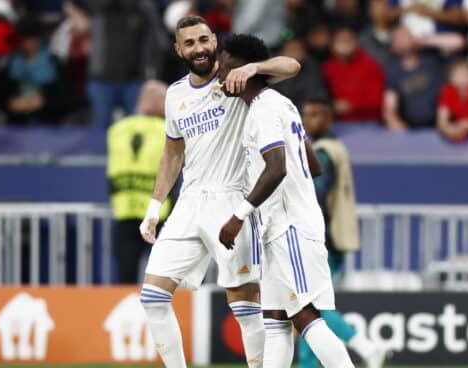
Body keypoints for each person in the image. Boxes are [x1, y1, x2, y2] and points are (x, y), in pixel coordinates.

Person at [138, 16, 300, 368]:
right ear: (178, 49)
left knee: (243, 304)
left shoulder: (237, 79)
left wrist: (254, 66)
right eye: (190, 43)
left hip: (232, 198)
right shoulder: (175, 95)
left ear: (215, 40)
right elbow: (172, 153)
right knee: (152, 296)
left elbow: (292, 66)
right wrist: (155, 207)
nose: (199, 48)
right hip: (188, 202)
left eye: (204, 40)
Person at [216, 33, 355, 368]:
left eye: (223, 62)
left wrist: (238, 216)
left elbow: (276, 168)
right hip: (283, 224)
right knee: (276, 320)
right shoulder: (283, 103)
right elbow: (314, 165)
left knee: (304, 316)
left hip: (288, 225)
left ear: (242, 67)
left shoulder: (263, 108)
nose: (219, 71)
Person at [297, 97, 389, 368]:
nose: (307, 121)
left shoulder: (324, 151)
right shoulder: (337, 148)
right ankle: (309, 363)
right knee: (311, 304)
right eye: (305, 114)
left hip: (323, 238)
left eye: (314, 115)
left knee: (311, 305)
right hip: (334, 236)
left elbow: (316, 194)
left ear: (328, 119)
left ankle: (365, 346)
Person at [107, 80, 173, 284]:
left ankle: (129, 315)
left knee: (125, 280)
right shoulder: (168, 130)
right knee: (165, 279)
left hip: (124, 212)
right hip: (159, 214)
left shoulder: (117, 129)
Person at [69, 0, 168, 128]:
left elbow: (158, 41)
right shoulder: (98, 5)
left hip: (134, 79)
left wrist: (151, 75)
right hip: (101, 79)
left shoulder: (143, 6)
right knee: (100, 131)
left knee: (136, 128)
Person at [0, 19, 67, 125]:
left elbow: (64, 97)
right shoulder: (11, 62)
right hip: (16, 124)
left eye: (33, 39)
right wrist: (11, 104)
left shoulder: (53, 62)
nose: (29, 44)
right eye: (25, 39)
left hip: (46, 123)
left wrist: (43, 102)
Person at [383, 26, 445, 130]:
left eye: (408, 35)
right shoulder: (393, 71)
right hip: (412, 129)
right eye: (401, 37)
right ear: (394, 46)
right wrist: (398, 126)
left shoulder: (431, 60)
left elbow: (459, 42)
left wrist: (422, 41)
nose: (406, 39)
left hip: (439, 126)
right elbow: (390, 108)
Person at [322, 26, 385, 122]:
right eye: (340, 41)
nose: (345, 44)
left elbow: (377, 100)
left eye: (348, 40)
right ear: (332, 46)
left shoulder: (371, 65)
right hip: (336, 123)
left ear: (356, 43)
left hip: (368, 122)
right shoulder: (328, 68)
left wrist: (352, 105)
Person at [273, 37, 328, 109]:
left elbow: (316, 96)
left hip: (305, 114)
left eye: (298, 49)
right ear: (282, 53)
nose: (295, 53)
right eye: (291, 49)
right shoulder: (272, 70)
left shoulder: (312, 69)